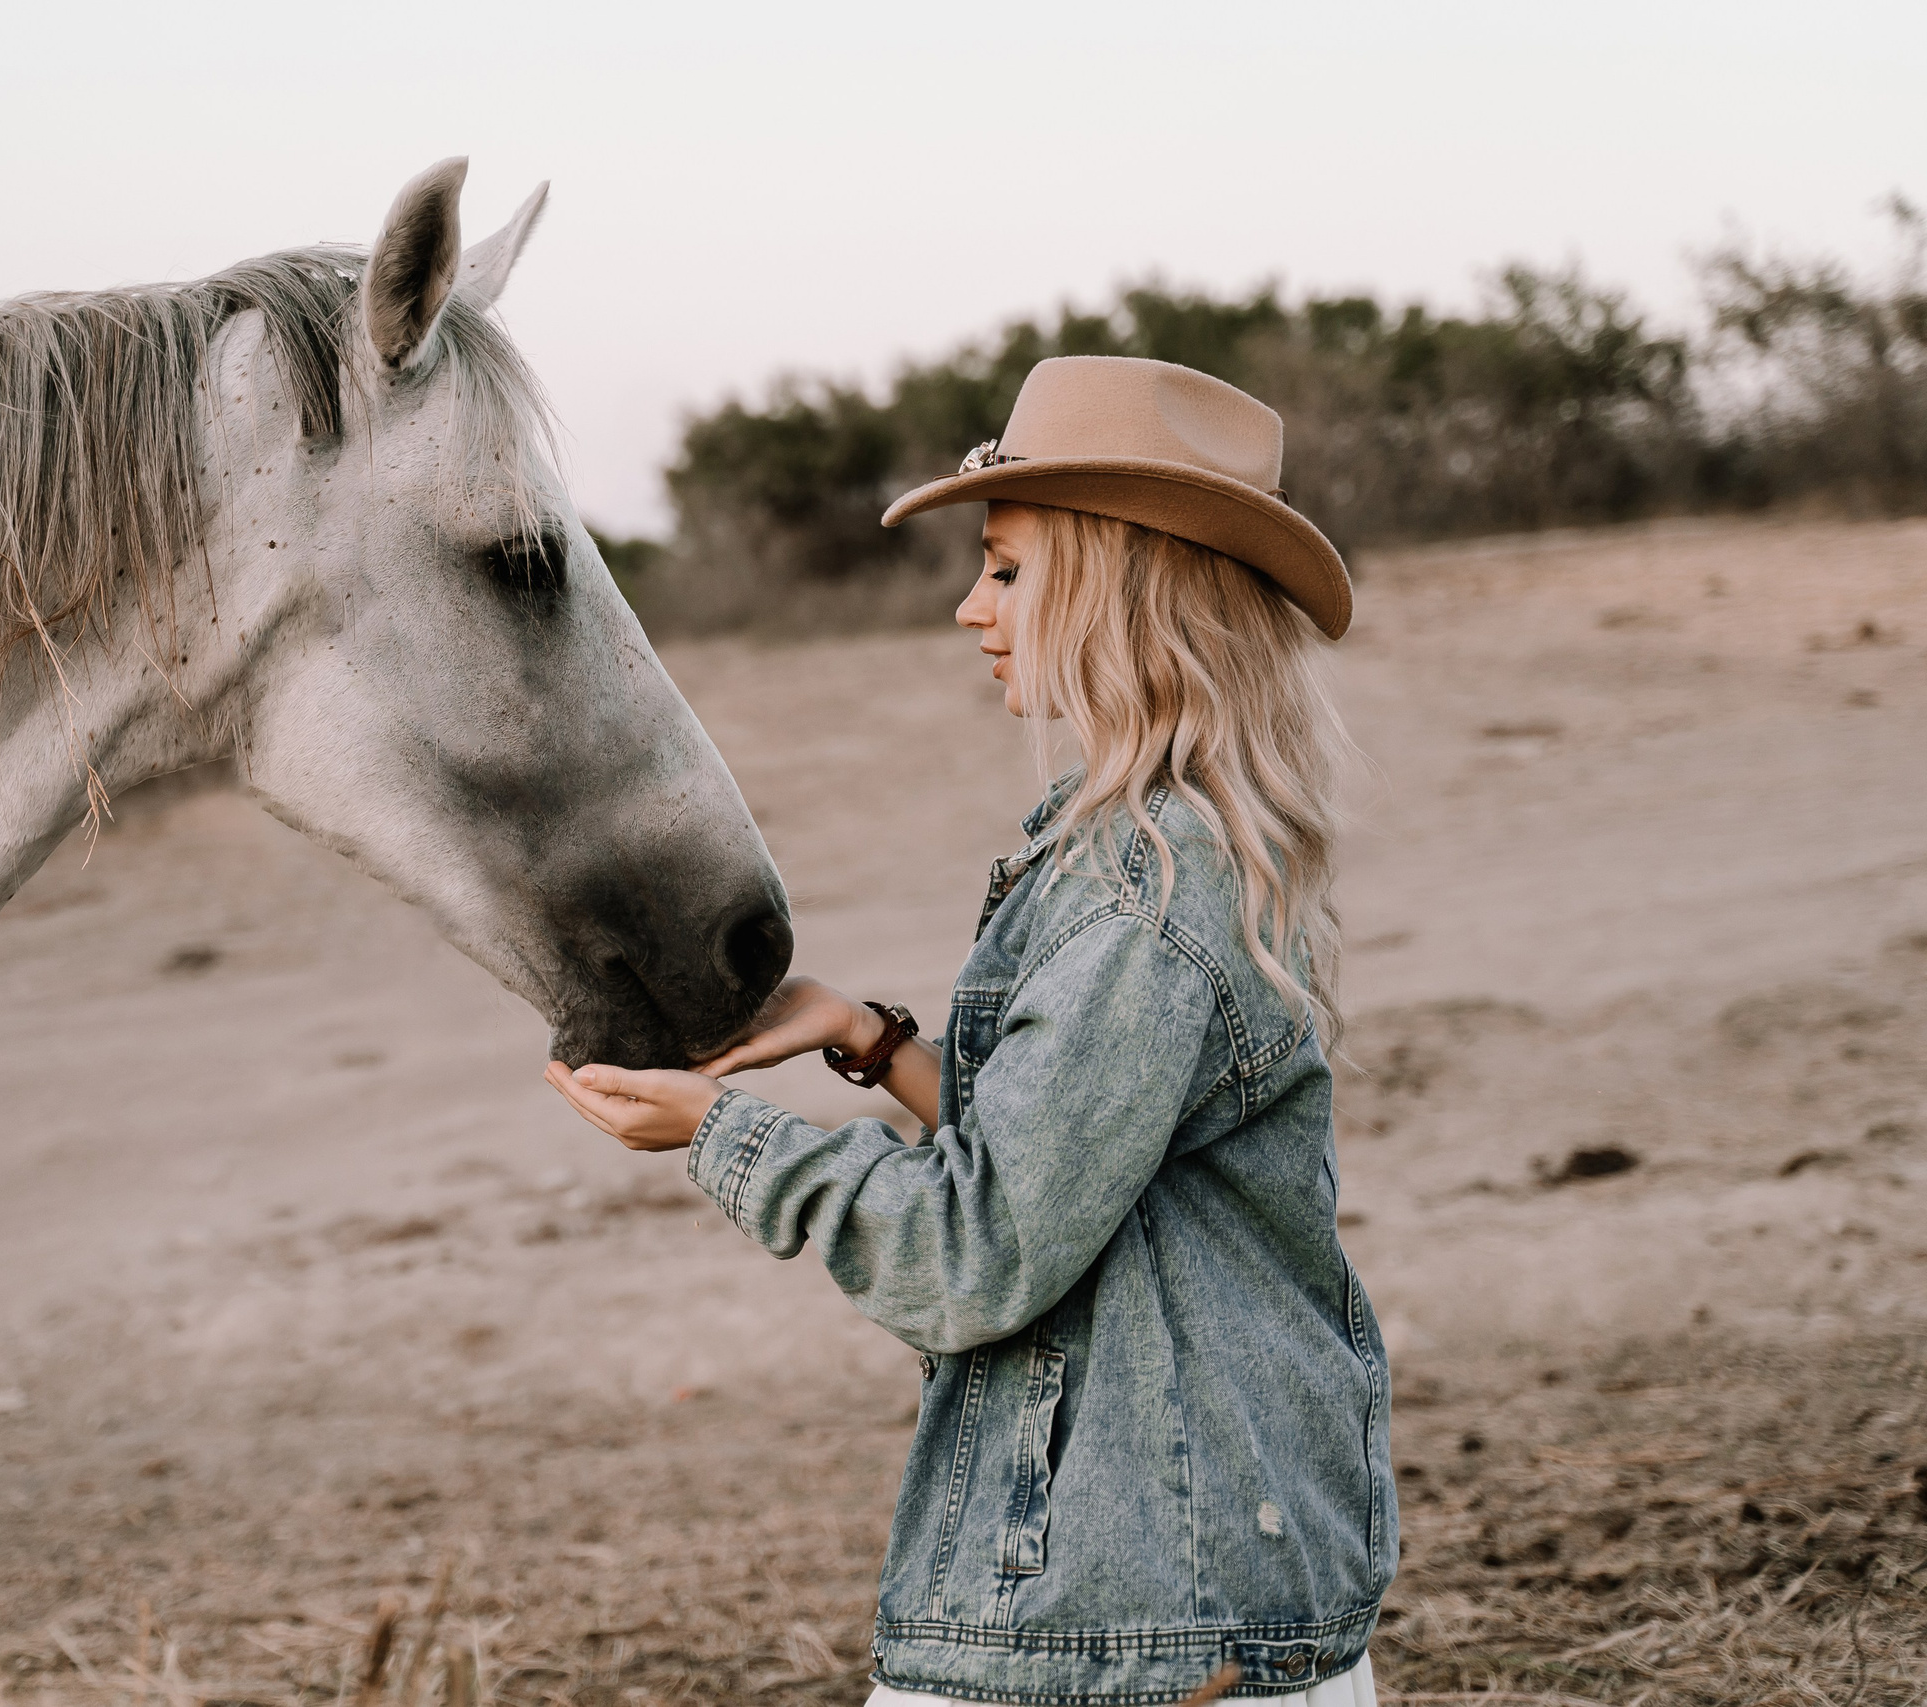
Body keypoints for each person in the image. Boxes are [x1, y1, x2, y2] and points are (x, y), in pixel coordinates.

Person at [547, 356, 1393, 1705]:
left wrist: (720, 1134)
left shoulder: (1145, 898)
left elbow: (978, 1254)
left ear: (1121, 588)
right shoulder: (1153, 850)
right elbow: (1090, 1174)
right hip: (1178, 1589)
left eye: (1006, 570)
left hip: (1132, 1625)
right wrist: (874, 1043)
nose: (969, 607)